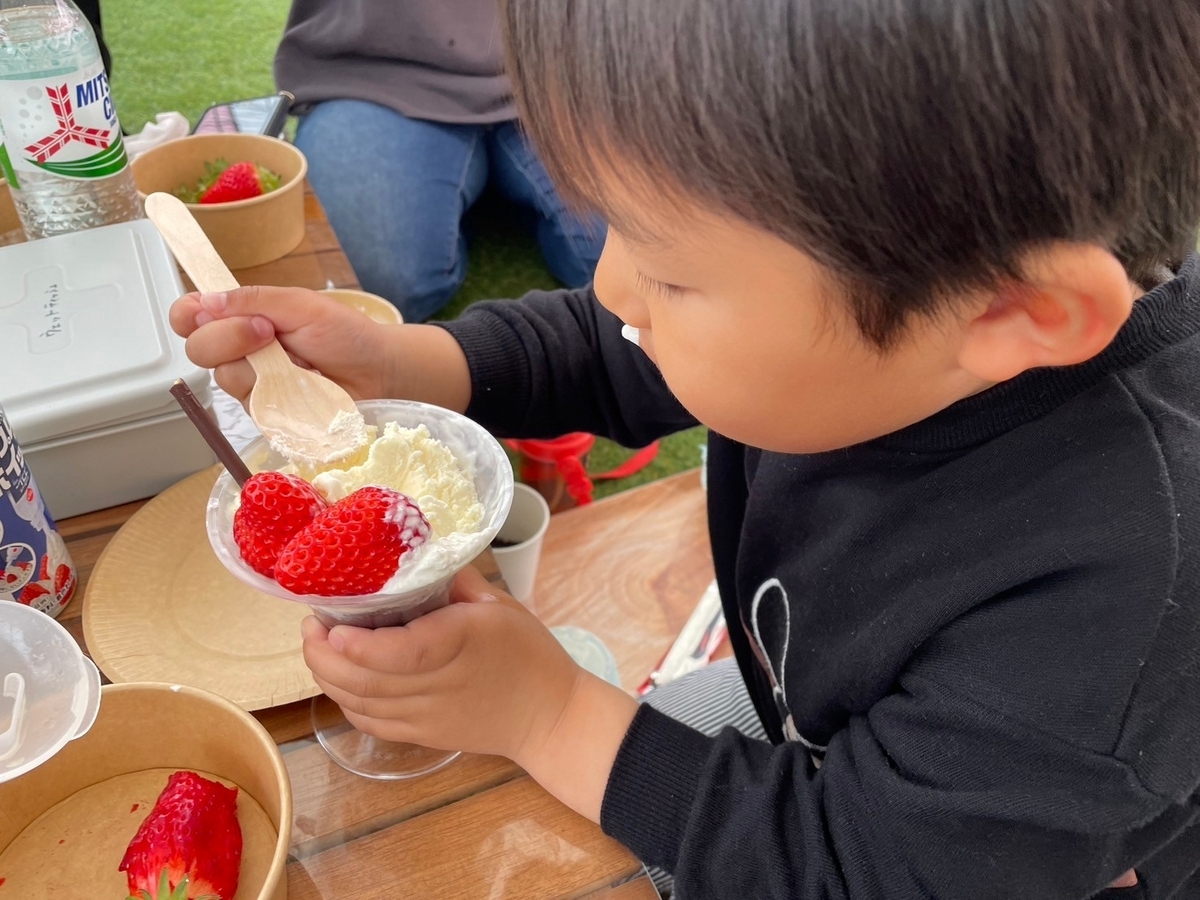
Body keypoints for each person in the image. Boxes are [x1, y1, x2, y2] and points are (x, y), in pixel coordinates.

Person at [172, 0, 1200, 896]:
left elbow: (858, 869)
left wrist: (548, 714)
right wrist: (401, 361)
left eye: (668, 272)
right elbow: (617, 347)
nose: (616, 289)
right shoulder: (895, 330)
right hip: (823, 738)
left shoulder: (1119, 590)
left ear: (1016, 312)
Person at [273, 0, 605, 322]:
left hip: (561, 71)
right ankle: (467, 195)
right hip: (376, 72)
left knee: (630, 261)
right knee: (382, 285)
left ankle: (476, 196)